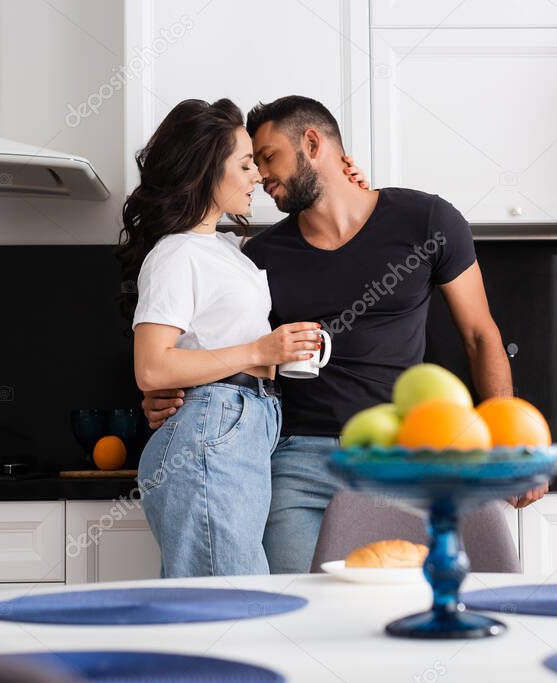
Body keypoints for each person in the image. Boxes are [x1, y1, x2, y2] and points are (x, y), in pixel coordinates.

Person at [142, 95, 546, 575]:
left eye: (267, 158)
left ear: (311, 143)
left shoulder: (427, 222)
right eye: (250, 162)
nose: (261, 176)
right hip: (294, 461)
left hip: (403, 453)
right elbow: (202, 331)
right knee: (295, 618)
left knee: (414, 609)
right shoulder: (257, 255)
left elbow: (481, 336)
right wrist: (170, 394)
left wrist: (508, 438)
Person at [118, 98, 366, 578]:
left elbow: (330, 221)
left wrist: (350, 184)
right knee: (226, 607)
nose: (257, 176)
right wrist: (261, 350)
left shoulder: (227, 252)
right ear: (208, 170)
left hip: (242, 430)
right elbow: (151, 368)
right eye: (246, 163)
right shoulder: (176, 254)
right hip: (214, 430)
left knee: (235, 601)